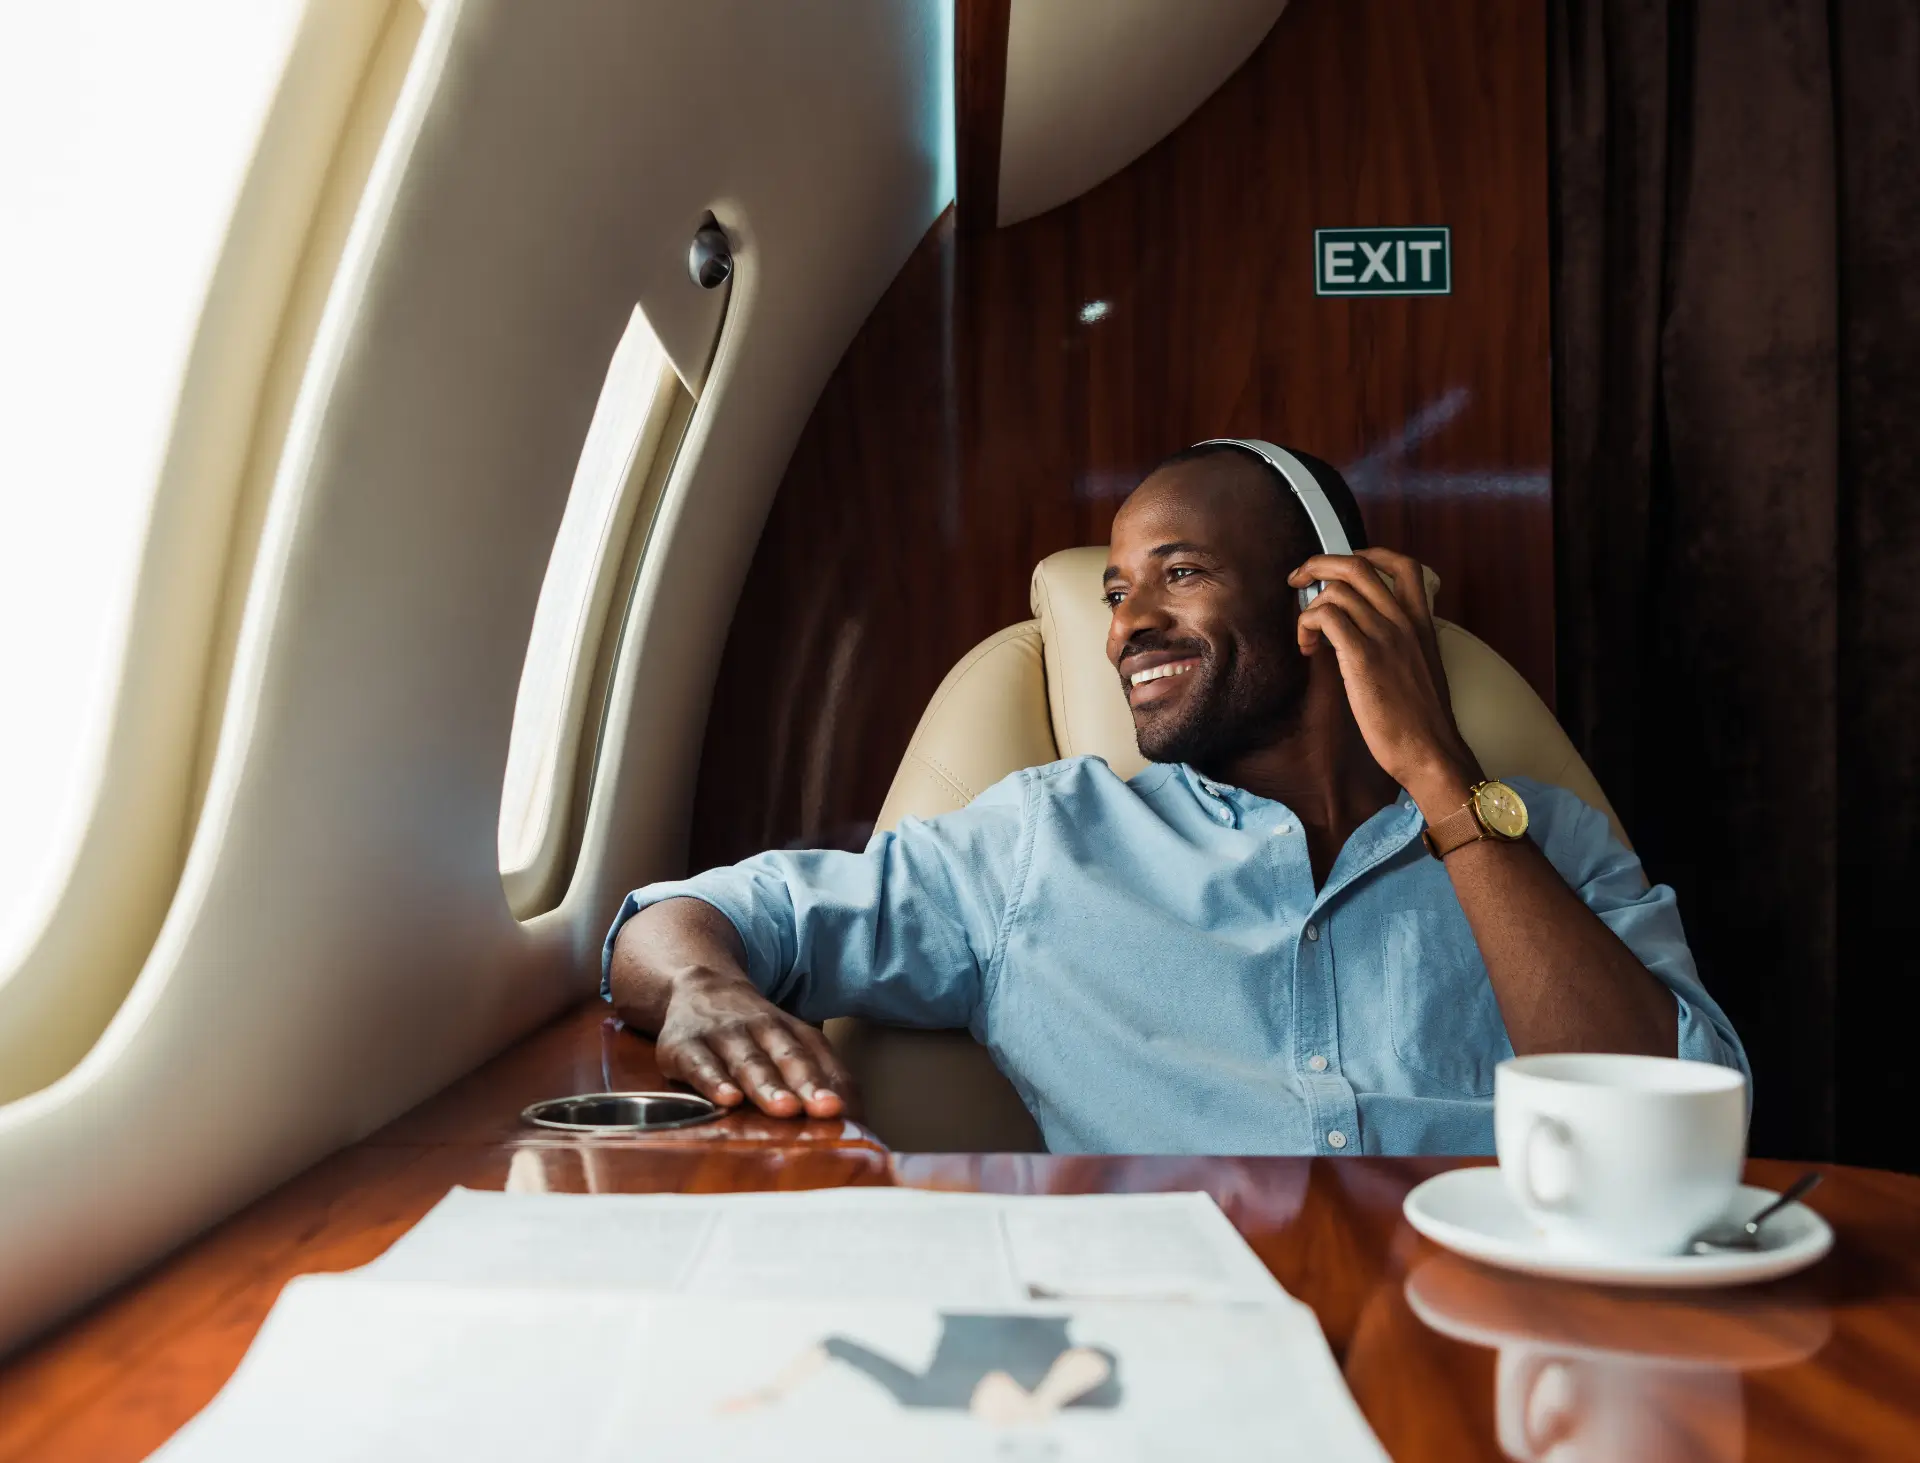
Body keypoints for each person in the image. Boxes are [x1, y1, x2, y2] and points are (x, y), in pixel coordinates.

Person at [603, 442, 1747, 1154]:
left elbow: (1682, 1110)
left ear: (1329, 598)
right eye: (1116, 590)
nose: (1126, 626)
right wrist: (700, 987)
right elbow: (688, 916)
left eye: (1180, 573)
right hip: (1170, 1351)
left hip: (1491, 1331)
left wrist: (1441, 777)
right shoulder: (1044, 841)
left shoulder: (1539, 833)